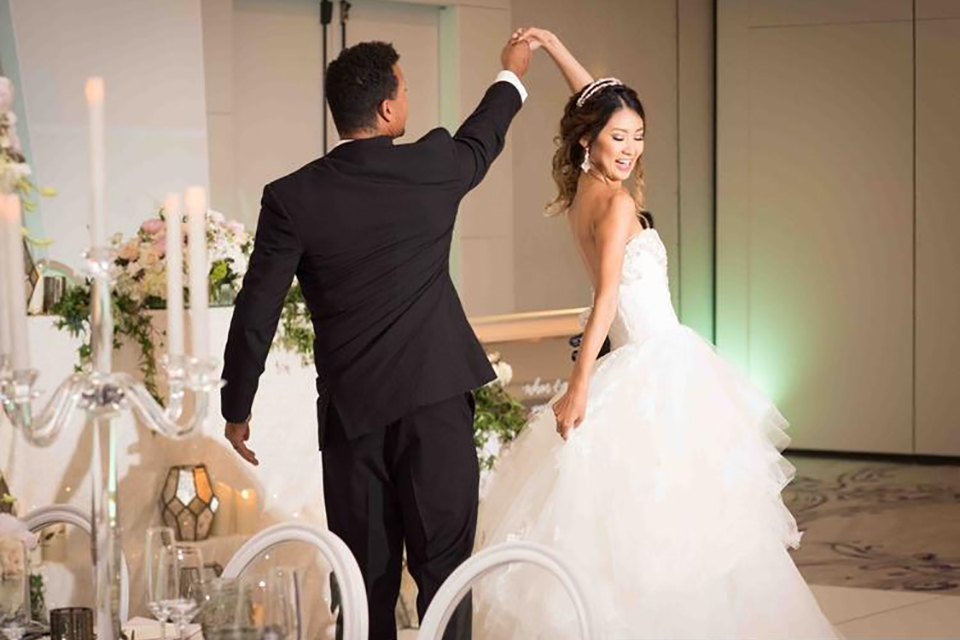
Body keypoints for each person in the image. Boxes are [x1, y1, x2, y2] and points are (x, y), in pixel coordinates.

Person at [474, 28, 840, 640]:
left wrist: (554, 48)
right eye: (619, 138)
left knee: (651, 524)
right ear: (589, 138)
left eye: (639, 137)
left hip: (638, 362)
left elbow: (593, 101)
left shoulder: (583, 193)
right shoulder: (616, 205)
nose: (631, 149)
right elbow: (605, 299)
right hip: (657, 362)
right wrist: (578, 386)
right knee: (688, 527)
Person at [220, 37, 531, 640]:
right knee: (445, 575)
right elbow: (483, 134)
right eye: (405, 88)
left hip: (353, 420)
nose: (407, 97)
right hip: (436, 402)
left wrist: (237, 407)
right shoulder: (431, 166)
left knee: (363, 585)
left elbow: (256, 307)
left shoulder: (292, 197)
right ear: (387, 110)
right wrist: (511, 74)